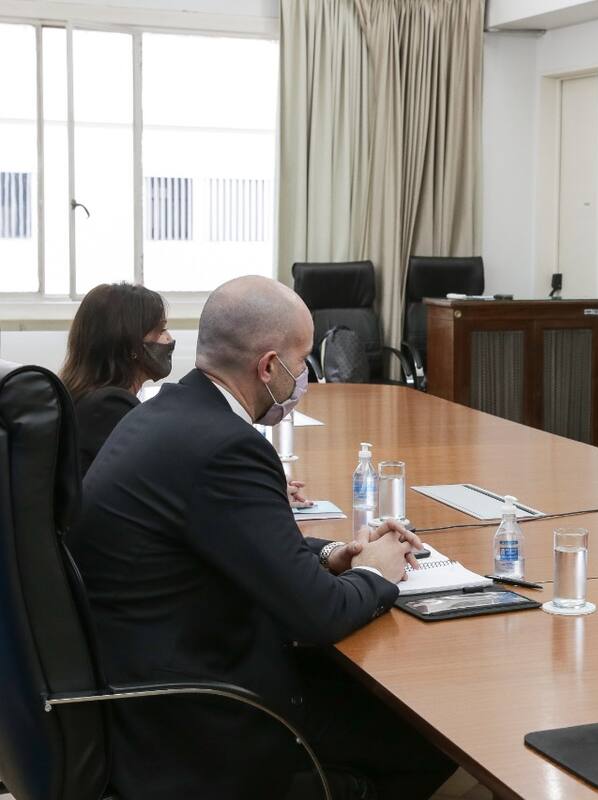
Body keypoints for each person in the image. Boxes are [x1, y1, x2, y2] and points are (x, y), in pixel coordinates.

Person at [67, 276, 456, 799]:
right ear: (269, 367)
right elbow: (318, 616)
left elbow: (240, 544)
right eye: (302, 361)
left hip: (144, 688)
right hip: (201, 721)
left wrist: (335, 555)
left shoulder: (167, 412)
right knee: (433, 736)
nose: (305, 375)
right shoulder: (226, 447)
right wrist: (375, 571)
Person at [59, 283, 175, 475]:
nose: (169, 339)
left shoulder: (82, 395)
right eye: (160, 330)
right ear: (130, 343)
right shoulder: (109, 407)